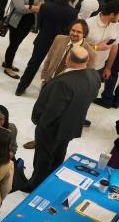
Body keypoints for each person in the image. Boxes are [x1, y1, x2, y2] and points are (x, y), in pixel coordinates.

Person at [29, 46, 99, 188]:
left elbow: (53, 111)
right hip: (70, 126)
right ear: (87, 61)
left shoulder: (63, 82)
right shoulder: (94, 76)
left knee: (43, 160)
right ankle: (52, 181)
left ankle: (35, 186)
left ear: (67, 59)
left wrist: (41, 124)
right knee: (58, 156)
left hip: (51, 129)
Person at [15, 0, 79, 95]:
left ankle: (21, 87)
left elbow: (39, 24)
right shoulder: (73, 12)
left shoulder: (45, 7)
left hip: (43, 38)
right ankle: (45, 91)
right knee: (53, 67)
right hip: (61, 43)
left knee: (33, 64)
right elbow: (69, 29)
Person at [1, 0, 45, 78]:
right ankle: (8, 67)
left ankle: (8, 61)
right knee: (14, 44)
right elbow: (20, 9)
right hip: (16, 22)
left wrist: (28, 6)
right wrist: (34, 8)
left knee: (17, 43)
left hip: (29, 22)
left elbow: (42, 4)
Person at [37, 19, 92, 90]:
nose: (74, 33)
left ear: (84, 34)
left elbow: (85, 76)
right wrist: (44, 77)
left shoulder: (90, 52)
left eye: (79, 32)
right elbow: (49, 58)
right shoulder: (59, 39)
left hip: (66, 88)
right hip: (48, 82)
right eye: (73, 30)